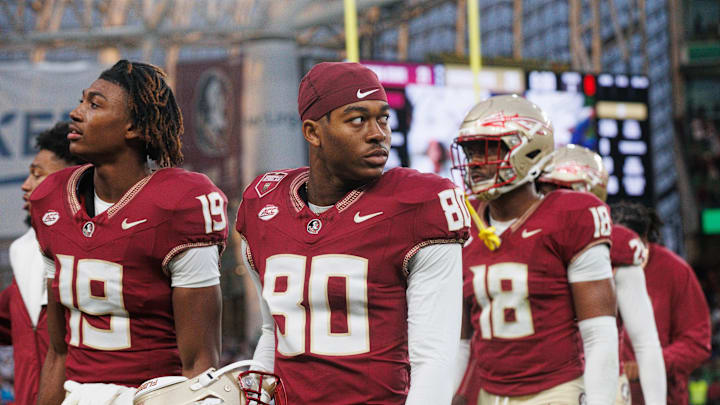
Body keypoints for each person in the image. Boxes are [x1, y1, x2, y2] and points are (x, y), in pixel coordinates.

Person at [235, 61, 470, 404]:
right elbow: (273, 333)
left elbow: (434, 358)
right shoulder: (264, 205)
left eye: (383, 118)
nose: (378, 133)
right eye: (358, 119)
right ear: (313, 132)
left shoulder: (419, 204)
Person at [30, 60, 228, 405]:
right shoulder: (51, 200)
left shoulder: (180, 203)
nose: (76, 113)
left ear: (134, 126)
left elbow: (199, 365)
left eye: (95, 104)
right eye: (81, 101)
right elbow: (57, 355)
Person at [452, 95, 618, 405]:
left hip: (556, 390)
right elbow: (460, 340)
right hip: (491, 392)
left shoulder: (571, 215)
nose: (474, 162)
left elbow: (599, 333)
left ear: (528, 149)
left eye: (487, 150)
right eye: (469, 152)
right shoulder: (463, 220)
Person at [537, 144, 666, 405]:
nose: (546, 199)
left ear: (587, 193)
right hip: (540, 387)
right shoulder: (529, 239)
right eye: (543, 189)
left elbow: (645, 343)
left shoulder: (617, 246)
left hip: (600, 385)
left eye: (557, 191)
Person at [0, 122, 84, 405]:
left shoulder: (97, 254)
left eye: (37, 175)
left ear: (72, 179)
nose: (26, 185)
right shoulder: (22, 252)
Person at [611, 201, 711, 405]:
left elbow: (697, 342)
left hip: (665, 396)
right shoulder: (595, 268)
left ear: (644, 239)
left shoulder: (675, 271)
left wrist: (651, 363)